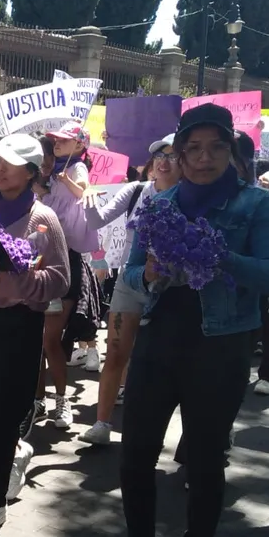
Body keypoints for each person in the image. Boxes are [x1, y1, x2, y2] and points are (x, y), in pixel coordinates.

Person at [101, 104, 269, 537]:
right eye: (193, 149)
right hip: (160, 340)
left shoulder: (255, 205)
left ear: (231, 152)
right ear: (179, 156)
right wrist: (146, 274)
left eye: (216, 147)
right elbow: (130, 271)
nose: (204, 158)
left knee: (206, 457)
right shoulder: (160, 206)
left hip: (221, 346)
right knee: (136, 453)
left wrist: (224, 258)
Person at [0, 135, 70, 536]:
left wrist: (18, 273)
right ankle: (12, 453)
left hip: (17, 324)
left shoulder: (44, 219)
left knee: (0, 413)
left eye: (11, 162)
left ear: (33, 171)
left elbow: (60, 279)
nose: (0, 169)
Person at [80, 135, 181, 445]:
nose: (164, 162)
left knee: (156, 361)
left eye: (173, 156)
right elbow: (97, 218)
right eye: (159, 156)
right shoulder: (136, 191)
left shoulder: (191, 199)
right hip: (130, 281)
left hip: (170, 289)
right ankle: (102, 423)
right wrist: (87, 196)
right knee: (116, 354)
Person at [36, 122, 97, 430]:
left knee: (50, 340)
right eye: (51, 144)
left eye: (61, 142)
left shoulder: (76, 170)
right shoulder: (39, 178)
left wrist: (64, 182)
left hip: (65, 262)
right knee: (37, 341)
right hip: (34, 265)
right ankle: (36, 403)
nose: (55, 148)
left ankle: (61, 403)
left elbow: (85, 192)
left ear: (79, 146)